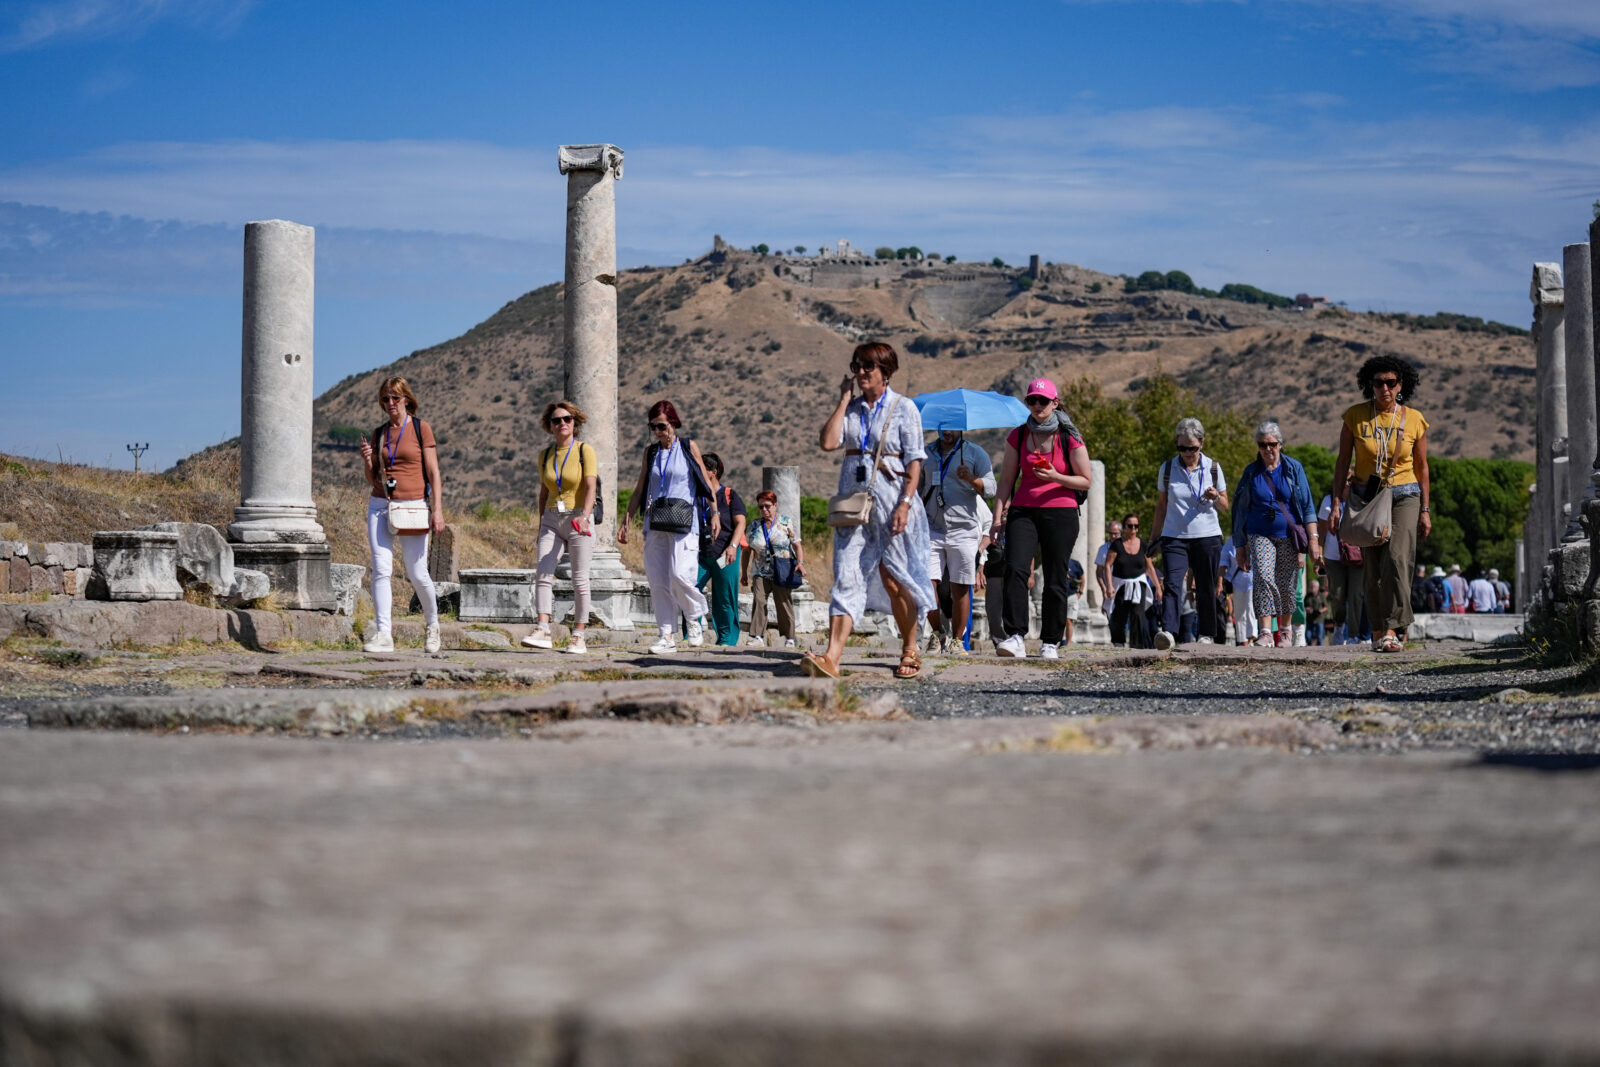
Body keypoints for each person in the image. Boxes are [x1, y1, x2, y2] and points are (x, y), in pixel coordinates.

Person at [802, 342, 937, 680]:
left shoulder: (904, 408)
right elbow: (828, 442)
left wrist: (906, 503)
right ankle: (832, 658)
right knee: (846, 574)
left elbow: (915, 462)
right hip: (853, 503)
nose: (860, 373)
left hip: (893, 500)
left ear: (885, 372)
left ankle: (910, 647)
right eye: (857, 366)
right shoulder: (851, 408)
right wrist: (844, 399)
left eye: (868, 368)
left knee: (895, 578)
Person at [1329, 355, 1431, 653]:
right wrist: (1337, 502)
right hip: (1368, 497)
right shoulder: (1355, 416)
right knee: (1372, 569)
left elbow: (1423, 467)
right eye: (1378, 383)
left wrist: (1425, 509)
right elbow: (1342, 462)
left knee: (1398, 559)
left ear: (1401, 385)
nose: (1385, 388)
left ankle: (1393, 629)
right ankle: (1376, 629)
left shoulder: (1414, 418)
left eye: (1391, 382)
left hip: (1405, 494)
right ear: (1369, 385)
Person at [989, 378, 1093, 659]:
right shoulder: (1019, 435)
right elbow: (1006, 481)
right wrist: (997, 518)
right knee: (1016, 568)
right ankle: (1015, 636)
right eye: (1031, 400)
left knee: (1056, 576)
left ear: (1055, 403)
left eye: (1043, 401)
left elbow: (1086, 480)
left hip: (1061, 510)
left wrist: (1056, 477)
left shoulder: (1069, 436)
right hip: (1024, 509)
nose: (1037, 405)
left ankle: (1050, 640)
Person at [619, 400, 720, 655]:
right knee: (658, 580)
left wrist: (715, 512)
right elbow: (641, 487)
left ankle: (694, 616)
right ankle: (666, 635)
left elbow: (705, 483)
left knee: (678, 574)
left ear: (673, 423)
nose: (657, 431)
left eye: (661, 426)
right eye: (652, 427)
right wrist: (627, 518)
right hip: (655, 521)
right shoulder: (651, 452)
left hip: (685, 521)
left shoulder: (688, 447)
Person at [358, 375, 444, 654]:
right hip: (380, 505)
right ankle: (384, 634)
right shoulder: (379, 433)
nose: (390, 403)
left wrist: (438, 511)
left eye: (395, 397)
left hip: (413, 506)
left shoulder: (421, 429)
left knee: (417, 573)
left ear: (406, 398)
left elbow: (434, 472)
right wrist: (368, 460)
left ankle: (432, 626)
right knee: (382, 569)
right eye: (385, 398)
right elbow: (373, 479)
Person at [1232, 420, 1321, 648]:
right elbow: (1240, 511)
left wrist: (1313, 540)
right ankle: (1265, 632)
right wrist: (1240, 546)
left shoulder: (1294, 468)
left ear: (1280, 445)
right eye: (1262, 444)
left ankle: (1286, 631)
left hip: (1289, 535)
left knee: (1287, 583)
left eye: (1271, 444)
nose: (1267, 449)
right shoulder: (1251, 472)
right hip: (1259, 532)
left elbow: (1308, 506)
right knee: (1262, 576)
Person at [524, 400, 597, 655]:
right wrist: (541, 522)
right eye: (557, 420)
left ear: (574, 423)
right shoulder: (544, 456)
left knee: (579, 578)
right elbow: (543, 492)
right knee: (543, 572)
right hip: (551, 519)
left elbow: (590, 487)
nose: (562, 424)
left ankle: (578, 635)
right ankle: (543, 628)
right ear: (550, 426)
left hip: (578, 518)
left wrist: (586, 516)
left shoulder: (584, 450)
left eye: (567, 419)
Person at [1152, 417, 1229, 648]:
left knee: (1205, 585)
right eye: (1182, 447)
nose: (1187, 452)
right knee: (1174, 583)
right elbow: (1162, 505)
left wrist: (1216, 497)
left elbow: (1226, 506)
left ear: (1202, 444)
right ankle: (1169, 632)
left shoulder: (1213, 468)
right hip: (1174, 536)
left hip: (1207, 535)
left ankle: (1206, 633)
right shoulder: (1167, 468)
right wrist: (1154, 537)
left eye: (1192, 448)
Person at [921, 429, 996, 655]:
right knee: (926, 583)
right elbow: (916, 485)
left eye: (952, 427)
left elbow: (991, 489)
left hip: (963, 529)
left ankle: (957, 639)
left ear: (961, 428)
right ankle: (937, 632)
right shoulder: (926, 453)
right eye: (943, 427)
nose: (947, 432)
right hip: (931, 527)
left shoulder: (974, 453)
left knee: (960, 586)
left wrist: (971, 479)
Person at [695, 453, 747, 647]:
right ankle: (691, 634)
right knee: (690, 591)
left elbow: (741, 523)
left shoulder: (729, 495)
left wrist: (733, 547)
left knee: (724, 597)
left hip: (725, 554)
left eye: (703, 468)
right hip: (700, 554)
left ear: (713, 472)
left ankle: (726, 639)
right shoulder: (696, 494)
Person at [743, 490, 804, 648]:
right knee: (759, 600)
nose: (764, 510)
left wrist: (800, 563)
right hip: (760, 570)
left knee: (783, 602)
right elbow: (747, 550)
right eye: (761, 507)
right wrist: (744, 573)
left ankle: (790, 637)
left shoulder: (785, 522)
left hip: (781, 570)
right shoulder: (755, 525)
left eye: (767, 506)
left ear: (775, 505)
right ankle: (757, 636)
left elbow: (797, 545)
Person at [1103, 514, 1163, 648]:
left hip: (1138, 585)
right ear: (1125, 527)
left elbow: (1149, 568)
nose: (1133, 529)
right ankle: (1118, 643)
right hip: (1121, 585)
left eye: (1136, 526)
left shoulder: (1143, 545)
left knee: (1138, 616)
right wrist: (1109, 586)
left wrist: (1158, 587)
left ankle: (1137, 647)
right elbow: (1107, 565)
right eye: (1130, 526)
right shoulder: (1117, 545)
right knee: (1119, 617)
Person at [1095, 520, 1122, 603]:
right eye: (1111, 533)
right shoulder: (1102, 549)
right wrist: (1104, 589)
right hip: (1110, 591)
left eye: (1116, 533)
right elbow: (1099, 573)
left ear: (1121, 532)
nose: (1113, 536)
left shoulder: (1127, 546)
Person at [1305, 578, 1328, 645]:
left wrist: (1321, 610)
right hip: (1310, 619)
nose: (1313, 588)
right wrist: (1307, 609)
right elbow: (1304, 605)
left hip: (1319, 619)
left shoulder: (1321, 596)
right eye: (1311, 586)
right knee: (1308, 636)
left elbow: (1326, 607)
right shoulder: (1308, 596)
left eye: (1314, 586)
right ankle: (1309, 650)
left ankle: (1320, 653)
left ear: (1318, 587)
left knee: (1319, 637)